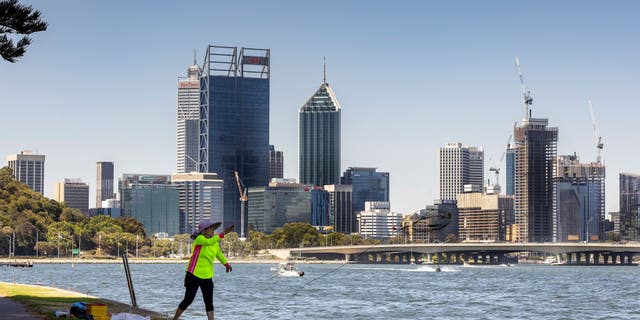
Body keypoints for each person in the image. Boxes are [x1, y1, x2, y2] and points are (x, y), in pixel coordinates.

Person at [172, 221, 234, 320]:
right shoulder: (199, 239)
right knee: (188, 300)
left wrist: (226, 264)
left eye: (214, 228)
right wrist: (224, 233)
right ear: (204, 231)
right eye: (211, 228)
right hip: (193, 274)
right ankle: (174, 319)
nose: (213, 230)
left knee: (209, 302)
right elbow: (208, 242)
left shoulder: (215, 242)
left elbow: (219, 254)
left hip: (207, 276)